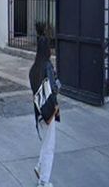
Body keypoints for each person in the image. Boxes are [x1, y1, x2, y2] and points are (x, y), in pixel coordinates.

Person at [29, 35, 60, 187]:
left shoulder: (33, 69)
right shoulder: (48, 66)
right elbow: (54, 88)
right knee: (50, 145)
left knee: (46, 142)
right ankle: (44, 181)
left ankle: (40, 166)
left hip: (39, 110)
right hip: (49, 110)